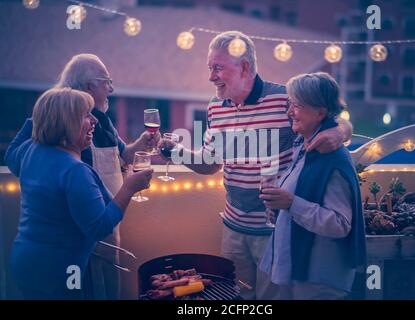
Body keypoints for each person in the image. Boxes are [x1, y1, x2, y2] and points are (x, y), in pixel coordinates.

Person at [159, 31, 353, 299]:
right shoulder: (216, 107)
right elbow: (211, 162)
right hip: (233, 227)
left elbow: (332, 119)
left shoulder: (284, 99)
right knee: (235, 299)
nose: (211, 76)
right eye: (209, 68)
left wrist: (339, 132)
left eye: (218, 68)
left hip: (274, 232)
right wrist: (174, 153)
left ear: (245, 68)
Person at [4, 53, 160, 299]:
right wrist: (129, 188)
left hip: (29, 258)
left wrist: (141, 143)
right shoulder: (73, 166)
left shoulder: (33, 150)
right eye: (106, 81)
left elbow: (14, 155)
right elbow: (97, 226)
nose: (93, 122)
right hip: (72, 255)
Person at [259, 72, 366, 299]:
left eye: (296, 105)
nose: (289, 112)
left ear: (320, 112)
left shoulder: (333, 159)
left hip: (319, 279)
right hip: (300, 271)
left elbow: (339, 224)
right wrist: (279, 208)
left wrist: (290, 203)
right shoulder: (305, 146)